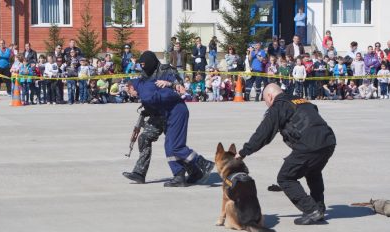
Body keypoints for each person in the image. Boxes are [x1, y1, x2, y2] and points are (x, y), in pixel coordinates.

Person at [236, 83, 336, 225]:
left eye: (265, 101)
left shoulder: (278, 106)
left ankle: (311, 210)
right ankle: (318, 207)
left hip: (310, 145)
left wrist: (243, 152)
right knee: (313, 171)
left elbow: (264, 133)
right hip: (328, 141)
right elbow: (313, 112)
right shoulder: (299, 99)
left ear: (270, 96)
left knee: (285, 178)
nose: (267, 105)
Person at [123, 51, 214, 186]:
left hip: (172, 110)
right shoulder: (144, 74)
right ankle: (139, 172)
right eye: (140, 65)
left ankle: (188, 172)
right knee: (146, 138)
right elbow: (140, 85)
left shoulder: (166, 71)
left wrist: (170, 84)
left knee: (173, 146)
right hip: (158, 113)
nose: (143, 68)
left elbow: (178, 85)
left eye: (144, 64)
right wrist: (130, 86)